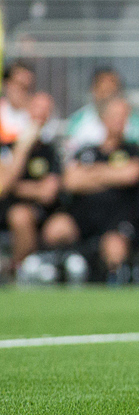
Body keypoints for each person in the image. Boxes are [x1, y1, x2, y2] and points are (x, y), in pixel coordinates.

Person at [44, 97, 139, 285]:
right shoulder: (86, 150)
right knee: (56, 229)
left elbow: (131, 175)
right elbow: (70, 182)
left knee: (115, 248)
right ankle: (53, 271)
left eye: (124, 117)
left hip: (116, 220)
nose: (120, 121)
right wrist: (112, 175)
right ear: (103, 119)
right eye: (115, 116)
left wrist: (90, 173)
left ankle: (113, 284)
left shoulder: (133, 150)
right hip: (82, 218)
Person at [1, 93, 61, 277]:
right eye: (37, 108)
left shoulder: (50, 150)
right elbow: (3, 185)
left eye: (46, 110)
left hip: (40, 212)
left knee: (24, 216)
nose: (40, 115)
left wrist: (18, 187)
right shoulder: (10, 146)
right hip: (7, 209)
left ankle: (19, 271)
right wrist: (23, 146)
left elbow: (48, 192)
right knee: (19, 215)